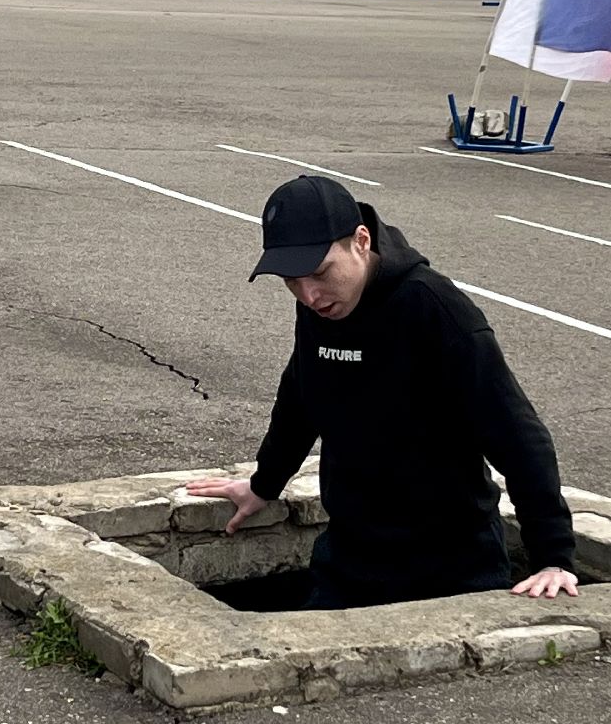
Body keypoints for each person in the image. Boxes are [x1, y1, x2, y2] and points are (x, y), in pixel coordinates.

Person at [187, 175, 579, 610]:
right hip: (349, 557)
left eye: (319, 273)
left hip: (452, 564)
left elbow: (516, 433)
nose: (310, 295)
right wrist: (264, 484)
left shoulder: (434, 307)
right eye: (292, 282)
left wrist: (552, 556)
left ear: (361, 240)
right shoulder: (320, 306)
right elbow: (301, 397)